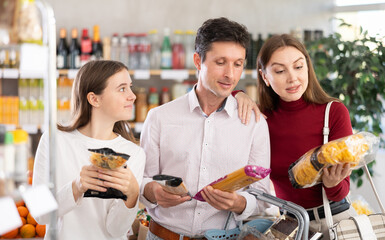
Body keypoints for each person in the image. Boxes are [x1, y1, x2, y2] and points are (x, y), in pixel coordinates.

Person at [140, 17, 271, 240]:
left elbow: (262, 196)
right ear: (198, 61)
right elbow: (141, 179)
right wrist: (154, 192)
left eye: (238, 64)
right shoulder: (159, 117)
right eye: (221, 62)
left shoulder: (254, 123)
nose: (230, 74)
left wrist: (239, 203)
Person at [235, 34, 357, 239]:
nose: (292, 78)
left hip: (334, 221)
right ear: (264, 76)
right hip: (288, 224)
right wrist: (236, 94)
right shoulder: (261, 120)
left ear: (307, 68)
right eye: (280, 71)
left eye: (298, 67)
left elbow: (341, 191)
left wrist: (333, 183)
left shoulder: (333, 112)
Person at [33, 60, 145, 240]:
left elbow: (116, 230)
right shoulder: (55, 140)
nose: (133, 96)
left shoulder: (134, 153)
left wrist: (131, 196)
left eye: (130, 87)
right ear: (94, 99)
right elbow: (39, 213)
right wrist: (76, 187)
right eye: (122, 89)